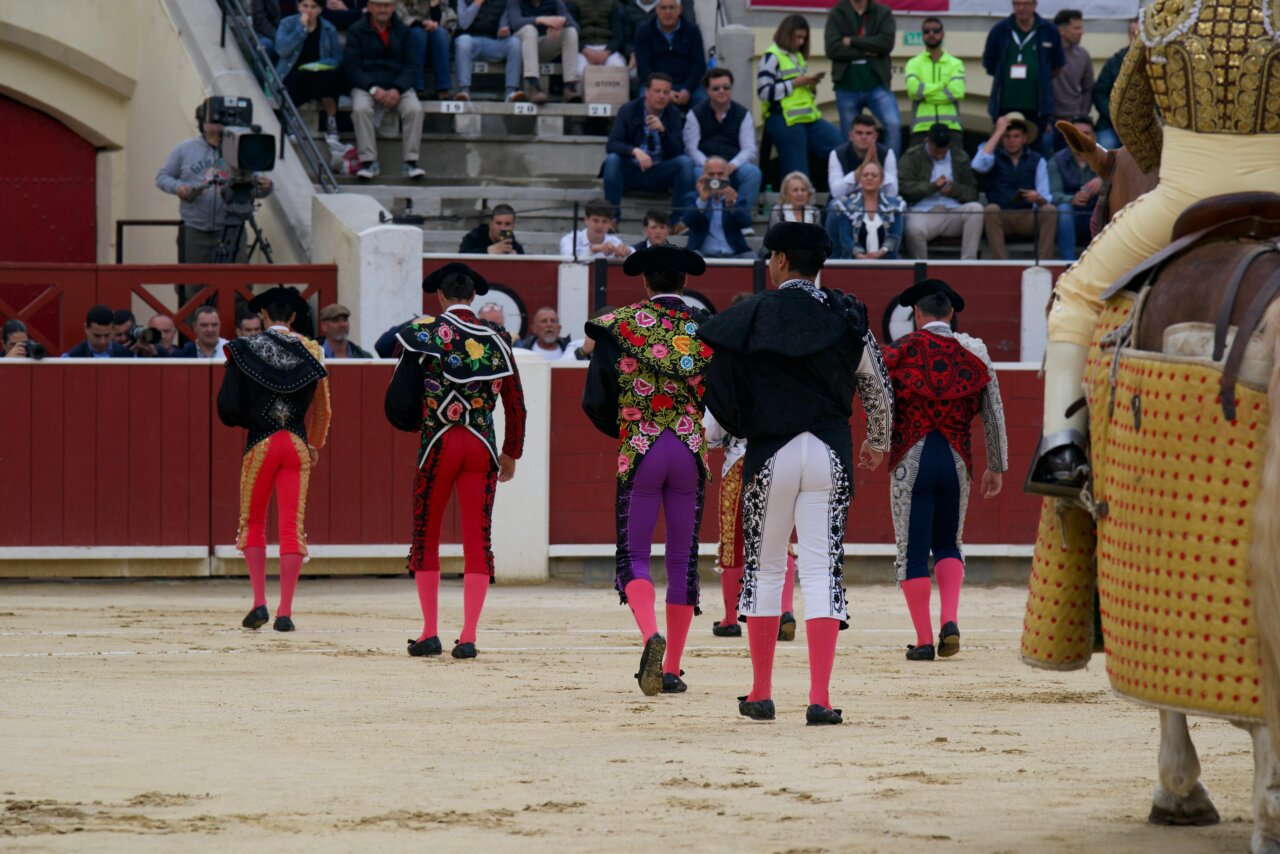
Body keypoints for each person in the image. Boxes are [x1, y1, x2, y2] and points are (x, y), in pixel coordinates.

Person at [1030, 0, 1280, 492]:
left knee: (1076, 295)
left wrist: (1163, 166)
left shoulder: (1165, 12)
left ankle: (1062, 449)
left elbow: (1126, 111)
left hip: (1184, 189)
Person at [697, 221, 892, 725]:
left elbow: (719, 395)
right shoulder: (848, 316)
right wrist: (877, 438)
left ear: (780, 260)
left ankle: (761, 694)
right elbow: (877, 387)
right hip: (829, 452)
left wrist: (723, 432)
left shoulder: (752, 316)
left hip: (769, 455)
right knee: (822, 569)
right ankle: (820, 700)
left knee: (765, 570)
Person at [581, 244, 713, 696]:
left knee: (634, 558)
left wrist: (626, 426)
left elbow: (595, 400)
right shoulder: (706, 328)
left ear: (644, 282)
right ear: (685, 283)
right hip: (689, 449)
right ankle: (672, 667)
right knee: (682, 561)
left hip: (641, 448)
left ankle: (649, 635)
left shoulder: (618, 325)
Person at [385, 263, 526, 659]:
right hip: (481, 444)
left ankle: (430, 631)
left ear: (441, 297)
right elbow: (516, 404)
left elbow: (398, 397)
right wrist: (510, 452)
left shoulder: (424, 333)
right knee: (477, 539)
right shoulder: (498, 336)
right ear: (473, 297)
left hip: (438, 444)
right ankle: (468, 636)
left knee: (426, 535)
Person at [882, 279, 1006, 660]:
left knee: (913, 550)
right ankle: (949, 621)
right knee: (950, 542)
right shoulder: (975, 353)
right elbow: (994, 411)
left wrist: (876, 444)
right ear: (950, 314)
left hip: (911, 459)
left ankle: (922, 641)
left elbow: (879, 401)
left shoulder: (900, 352)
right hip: (956, 459)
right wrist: (996, 465)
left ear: (917, 315)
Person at [217, 286, 331, 633]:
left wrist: (250, 418)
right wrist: (314, 443)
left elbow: (228, 406)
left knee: (252, 522)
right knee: (291, 528)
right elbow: (323, 409)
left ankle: (259, 603)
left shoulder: (245, 348)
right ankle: (285, 612)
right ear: (294, 317)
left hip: (261, 444)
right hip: (295, 444)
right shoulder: (312, 350)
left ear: (263, 316)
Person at [156, 102, 274, 263]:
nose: (219, 125)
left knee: (238, 283)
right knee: (194, 284)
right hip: (195, 229)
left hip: (234, 228)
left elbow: (257, 185)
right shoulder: (184, 149)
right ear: (202, 123)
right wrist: (179, 188)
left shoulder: (241, 149)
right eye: (214, 120)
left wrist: (266, 187)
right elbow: (162, 177)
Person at [344, 0, 427, 180]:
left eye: (387, 5)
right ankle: (368, 162)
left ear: (393, 7)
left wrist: (397, 89)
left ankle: (411, 163)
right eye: (378, 5)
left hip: (398, 85)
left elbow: (412, 65)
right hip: (367, 85)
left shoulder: (404, 31)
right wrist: (373, 88)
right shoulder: (356, 30)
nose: (382, 9)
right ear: (371, 7)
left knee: (415, 109)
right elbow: (352, 67)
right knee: (360, 109)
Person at [601, 73, 695, 223]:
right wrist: (635, 151)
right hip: (631, 171)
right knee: (612, 160)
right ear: (646, 92)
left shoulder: (673, 114)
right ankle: (612, 220)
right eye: (657, 91)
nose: (662, 96)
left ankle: (677, 221)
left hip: (658, 173)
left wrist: (663, 132)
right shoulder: (628, 110)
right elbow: (612, 144)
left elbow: (677, 151)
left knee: (686, 163)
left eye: (666, 92)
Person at [758, 15, 841, 182]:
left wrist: (810, 86)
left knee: (841, 148)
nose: (802, 42)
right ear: (786, 34)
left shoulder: (798, 57)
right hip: (784, 119)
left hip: (808, 118)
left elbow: (799, 93)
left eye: (804, 38)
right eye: (798, 37)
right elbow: (764, 92)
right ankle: (792, 207)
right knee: (798, 174)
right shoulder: (771, 56)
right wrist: (795, 83)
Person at [981, 0, 1064, 150]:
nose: (1021, 8)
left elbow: (1057, 66)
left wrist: (1041, 77)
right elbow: (989, 63)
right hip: (1004, 106)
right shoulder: (1000, 30)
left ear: (1034, 5)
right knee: (1004, 152)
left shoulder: (1048, 30)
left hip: (1037, 108)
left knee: (1036, 151)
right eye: (1017, 4)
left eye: (1026, 4)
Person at [973, 112, 1056, 261]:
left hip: (1027, 216)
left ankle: (1044, 263)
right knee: (991, 209)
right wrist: (998, 131)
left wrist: (1037, 198)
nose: (1011, 141)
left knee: (1049, 210)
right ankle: (1000, 263)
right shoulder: (993, 155)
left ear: (1024, 138)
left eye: (1016, 136)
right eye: (1007, 136)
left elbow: (1046, 196)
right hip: (1001, 216)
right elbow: (978, 165)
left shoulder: (1037, 160)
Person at [823, 0, 901, 152]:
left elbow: (886, 44)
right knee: (850, 137)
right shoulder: (837, 13)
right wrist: (867, 51)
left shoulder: (882, 12)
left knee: (893, 124)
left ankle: (889, 171)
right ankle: (852, 174)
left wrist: (851, 41)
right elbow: (832, 49)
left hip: (877, 85)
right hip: (846, 86)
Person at [683, 69, 762, 214]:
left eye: (726, 87)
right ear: (707, 90)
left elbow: (749, 148)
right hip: (704, 164)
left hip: (733, 165)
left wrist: (731, 165)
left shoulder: (743, 114)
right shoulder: (695, 113)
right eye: (716, 88)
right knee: (695, 173)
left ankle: (741, 219)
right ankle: (703, 217)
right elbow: (690, 148)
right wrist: (709, 166)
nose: (721, 91)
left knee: (752, 173)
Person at [899, 124, 983, 260]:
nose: (939, 155)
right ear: (928, 141)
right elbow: (902, 187)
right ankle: (922, 269)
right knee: (913, 229)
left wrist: (954, 189)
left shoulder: (960, 157)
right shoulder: (912, 156)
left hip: (952, 212)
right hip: (923, 212)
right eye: (936, 151)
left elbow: (973, 193)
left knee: (976, 209)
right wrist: (932, 186)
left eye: (943, 152)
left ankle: (968, 264)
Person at [275, 0, 344, 141]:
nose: (308, 11)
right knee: (297, 78)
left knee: (329, 79)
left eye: (313, 7)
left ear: (320, 9)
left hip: (318, 73)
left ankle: (331, 121)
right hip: (292, 73)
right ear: (299, 6)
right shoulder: (287, 24)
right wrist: (301, 30)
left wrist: (321, 64)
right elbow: (281, 50)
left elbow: (337, 58)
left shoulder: (328, 28)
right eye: (305, 6)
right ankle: (290, 119)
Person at [902, 17, 965, 145]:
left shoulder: (956, 63)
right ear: (922, 35)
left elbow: (957, 93)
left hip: (951, 128)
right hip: (921, 128)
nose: (931, 34)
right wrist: (942, 86)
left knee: (956, 165)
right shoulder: (913, 63)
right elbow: (914, 91)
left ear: (943, 34)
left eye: (935, 31)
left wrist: (925, 94)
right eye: (926, 31)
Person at [633, 0, 706, 108]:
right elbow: (643, 67)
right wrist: (665, 91)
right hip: (655, 85)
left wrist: (687, 89)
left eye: (672, 8)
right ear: (657, 10)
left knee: (704, 103)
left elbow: (699, 64)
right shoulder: (644, 31)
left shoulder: (692, 31)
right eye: (663, 8)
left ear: (680, 10)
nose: (668, 12)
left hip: (687, 84)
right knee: (644, 102)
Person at [1047, 115, 1100, 261]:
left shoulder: (1106, 159)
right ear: (1068, 137)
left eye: (1086, 134)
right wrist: (1072, 199)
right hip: (1071, 218)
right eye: (1076, 133)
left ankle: (1100, 262)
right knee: (1063, 208)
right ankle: (1068, 263)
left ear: (1094, 137)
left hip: (1097, 215)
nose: (1081, 138)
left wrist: (1104, 181)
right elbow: (1053, 194)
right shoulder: (1056, 161)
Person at [829, 159, 906, 260]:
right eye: (865, 175)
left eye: (874, 175)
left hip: (887, 262)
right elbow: (846, 237)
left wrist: (881, 252)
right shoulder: (846, 205)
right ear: (859, 180)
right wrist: (860, 255)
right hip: (853, 263)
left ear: (881, 180)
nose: (869, 178)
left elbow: (895, 234)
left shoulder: (894, 205)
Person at [508, 0, 582, 103]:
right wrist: (540, 20)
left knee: (570, 32)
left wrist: (562, 23)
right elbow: (515, 23)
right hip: (520, 49)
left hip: (543, 45)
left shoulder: (555, 2)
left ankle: (569, 87)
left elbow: (575, 26)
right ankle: (534, 86)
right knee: (530, 30)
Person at [453, 0, 525, 102]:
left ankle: (511, 93)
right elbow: (464, 23)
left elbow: (503, 25)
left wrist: (503, 31)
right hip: (471, 41)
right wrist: (478, 2)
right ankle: (464, 92)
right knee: (463, 41)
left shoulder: (504, 2)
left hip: (493, 43)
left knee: (515, 43)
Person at [684, 157, 754, 259]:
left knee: (752, 258)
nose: (716, 178)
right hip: (702, 254)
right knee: (692, 258)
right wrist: (702, 200)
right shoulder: (692, 197)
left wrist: (732, 204)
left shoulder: (737, 198)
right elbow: (688, 222)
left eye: (720, 174)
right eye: (711, 174)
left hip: (734, 253)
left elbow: (746, 223)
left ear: (727, 176)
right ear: (703, 176)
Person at [828, 113, 898, 203]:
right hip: (846, 203)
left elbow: (892, 192)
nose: (864, 137)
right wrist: (863, 166)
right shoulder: (837, 154)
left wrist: (877, 165)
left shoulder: (887, 153)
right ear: (851, 135)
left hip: (877, 202)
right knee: (834, 204)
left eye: (868, 133)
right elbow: (836, 192)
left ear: (875, 136)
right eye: (859, 133)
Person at [1048, 9, 1092, 150]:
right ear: (1061, 31)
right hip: (1049, 120)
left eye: (1081, 27)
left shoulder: (1083, 55)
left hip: (1074, 119)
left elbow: (1088, 88)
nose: (1081, 32)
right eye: (1076, 28)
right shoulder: (1045, 54)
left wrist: (1082, 115)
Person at [1092, 17, 1137, 150]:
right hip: (1111, 124)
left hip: (1147, 126)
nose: (1136, 38)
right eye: (1133, 34)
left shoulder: (1158, 62)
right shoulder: (1114, 62)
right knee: (1106, 146)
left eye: (1141, 34)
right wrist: (1115, 116)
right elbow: (1100, 94)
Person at [399, 0, 456, 99]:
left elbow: (450, 18)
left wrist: (434, 7)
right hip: (410, 34)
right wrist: (419, 23)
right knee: (418, 34)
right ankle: (417, 88)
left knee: (440, 34)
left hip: (433, 38)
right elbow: (398, 15)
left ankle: (443, 89)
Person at [574, 0, 628, 81]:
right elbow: (572, 34)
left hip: (607, 48)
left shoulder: (613, 4)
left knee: (619, 69)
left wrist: (606, 52)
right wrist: (584, 50)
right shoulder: (575, 4)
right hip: (583, 49)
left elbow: (618, 36)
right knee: (579, 72)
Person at [561, 199, 633, 258]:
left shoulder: (615, 242)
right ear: (586, 220)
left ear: (610, 223)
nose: (599, 226)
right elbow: (568, 258)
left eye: (604, 221)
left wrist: (626, 252)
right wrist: (593, 249)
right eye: (595, 220)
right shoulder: (570, 239)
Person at [63, 305, 134, 359]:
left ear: (112, 329)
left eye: (107, 335)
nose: (102, 342)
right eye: (97, 336)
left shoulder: (130, 356)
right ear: (86, 328)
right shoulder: (69, 359)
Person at [460, 204, 526, 254]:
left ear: (513, 226)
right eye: (498, 223)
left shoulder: (515, 246)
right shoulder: (474, 238)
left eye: (507, 224)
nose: (502, 228)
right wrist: (488, 251)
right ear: (490, 224)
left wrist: (516, 262)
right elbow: (460, 259)